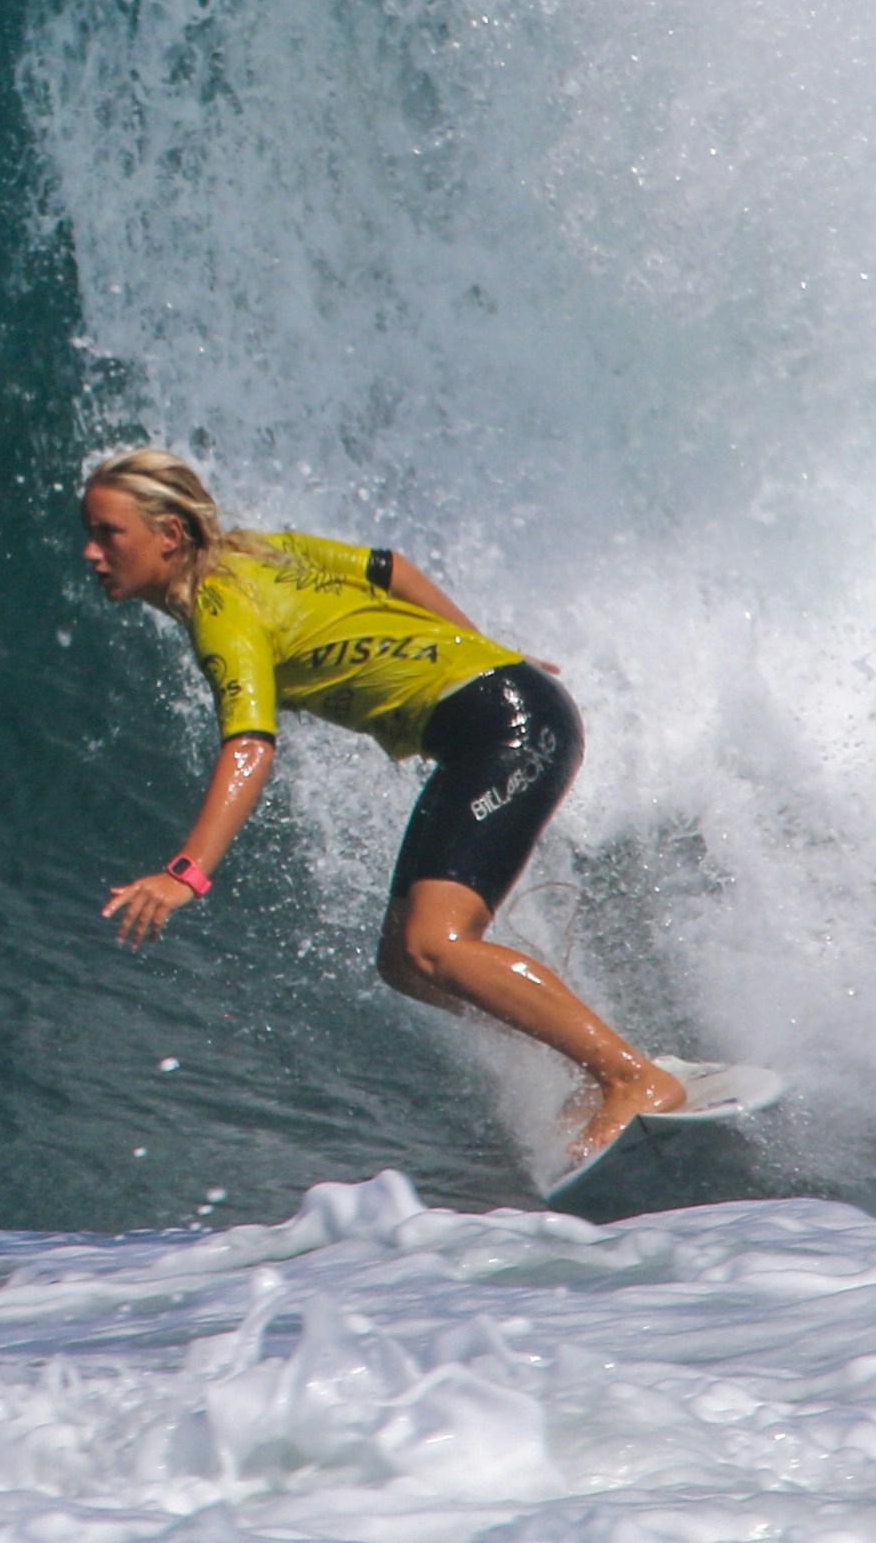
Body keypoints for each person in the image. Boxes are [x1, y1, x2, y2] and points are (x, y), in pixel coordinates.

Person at [77, 444, 695, 1166]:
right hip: (499, 714)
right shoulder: (260, 552)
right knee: (404, 960)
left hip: (507, 723)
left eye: (107, 534)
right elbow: (390, 568)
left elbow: (250, 745)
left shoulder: (220, 608)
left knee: (438, 943)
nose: (91, 552)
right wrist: (486, 649)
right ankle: (592, 1057)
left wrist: (187, 873)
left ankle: (631, 1076)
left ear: (168, 536)